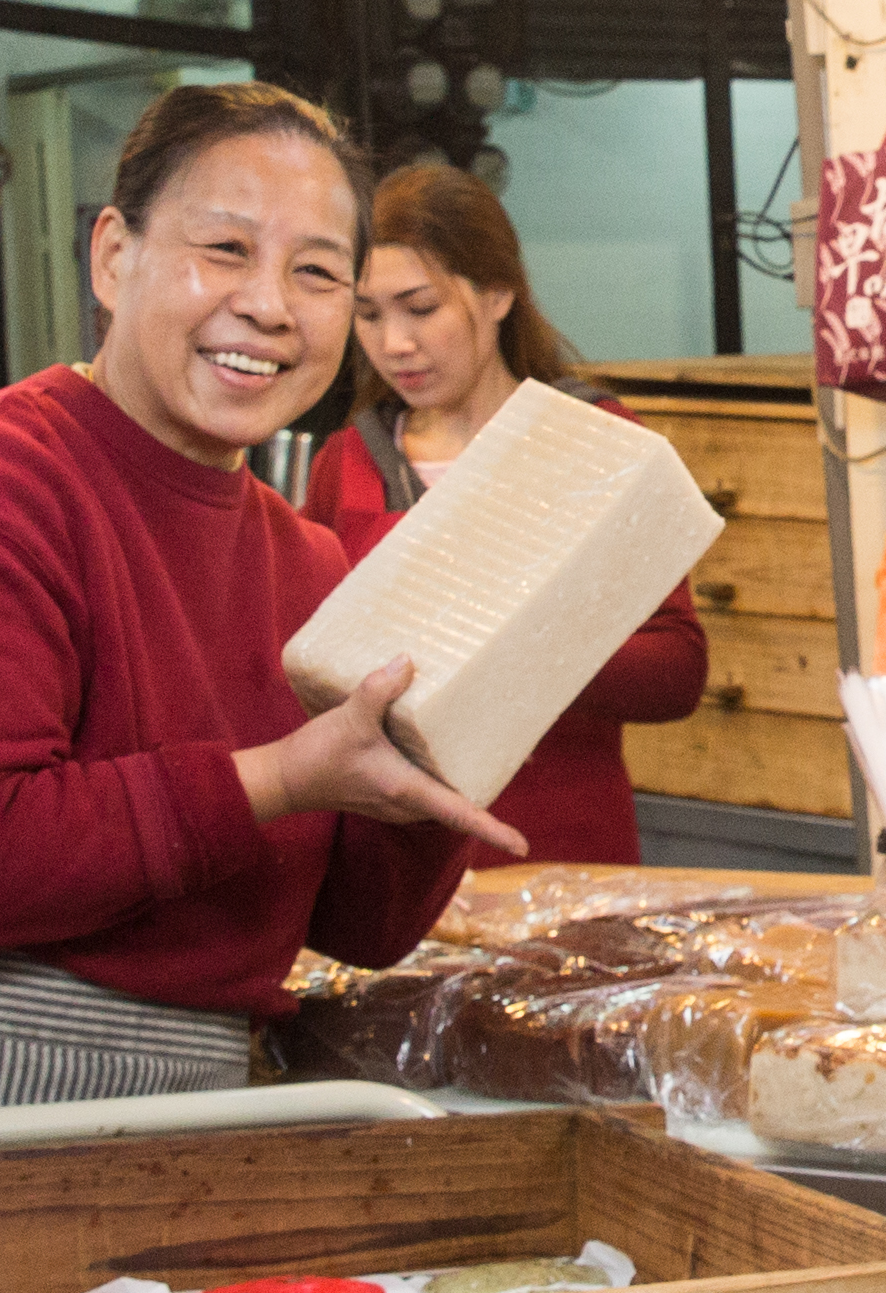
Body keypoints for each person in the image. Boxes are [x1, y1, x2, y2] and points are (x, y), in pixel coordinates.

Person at [0, 83, 518, 1156]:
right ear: (113, 256)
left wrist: (459, 729)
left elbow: (361, 925)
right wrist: (281, 777)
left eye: (317, 273)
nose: (270, 305)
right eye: (224, 249)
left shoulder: (306, 560)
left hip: (177, 1102)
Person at [300, 162, 704, 870]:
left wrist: (530, 646)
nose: (395, 343)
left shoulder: (591, 441)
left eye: (420, 308)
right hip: (393, 867)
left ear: (497, 293)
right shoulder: (348, 460)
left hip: (563, 854)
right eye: (369, 315)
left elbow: (678, 671)